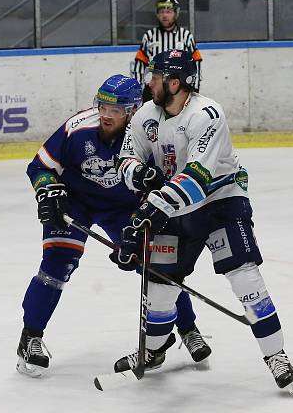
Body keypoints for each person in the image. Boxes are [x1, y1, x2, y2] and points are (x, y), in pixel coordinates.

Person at [112, 49, 293, 392]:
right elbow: (126, 157)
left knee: (245, 277)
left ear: (175, 82)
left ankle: (276, 355)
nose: (148, 82)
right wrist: (138, 175)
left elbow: (197, 178)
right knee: (160, 285)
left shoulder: (206, 114)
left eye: (155, 76)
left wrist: (150, 210)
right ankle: (151, 351)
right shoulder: (144, 117)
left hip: (220, 202)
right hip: (172, 207)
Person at [17, 74, 212, 378]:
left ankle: (188, 328)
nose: (106, 115)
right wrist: (47, 190)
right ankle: (30, 338)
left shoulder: (150, 135)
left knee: (157, 264)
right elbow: (40, 166)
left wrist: (148, 214)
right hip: (76, 201)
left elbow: (162, 181)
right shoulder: (78, 128)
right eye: (103, 106)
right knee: (57, 262)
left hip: (123, 207)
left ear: (133, 110)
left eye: (116, 109)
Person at [131, 0, 202, 102]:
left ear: (176, 13)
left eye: (168, 11)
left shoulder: (186, 36)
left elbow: (196, 63)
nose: (165, 15)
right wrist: (138, 91)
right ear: (157, 14)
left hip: (178, 88)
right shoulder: (149, 36)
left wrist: (194, 88)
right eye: (161, 12)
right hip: (153, 89)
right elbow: (139, 66)